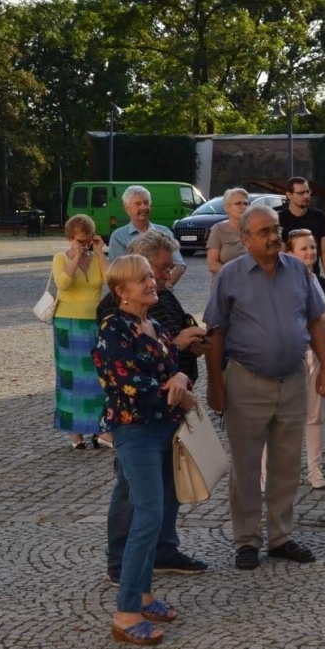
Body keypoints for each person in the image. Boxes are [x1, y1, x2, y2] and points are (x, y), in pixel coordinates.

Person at [206, 206, 325, 569]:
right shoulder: (229, 277)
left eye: (275, 229)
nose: (273, 236)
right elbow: (214, 334)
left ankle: (280, 536)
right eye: (263, 232)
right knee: (246, 468)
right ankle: (246, 540)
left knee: (287, 465)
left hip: (292, 381)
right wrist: (216, 383)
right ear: (245, 239)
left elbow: (315, 322)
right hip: (246, 382)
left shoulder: (297, 270)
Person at [97, 230, 210, 583]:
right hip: (135, 421)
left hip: (168, 416)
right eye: (157, 270)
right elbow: (122, 373)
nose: (164, 276)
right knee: (132, 492)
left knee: (165, 487)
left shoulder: (163, 303)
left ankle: (160, 551)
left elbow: (166, 350)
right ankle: (122, 567)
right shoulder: (112, 314)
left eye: (160, 271)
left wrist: (186, 356)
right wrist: (174, 364)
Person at [94, 254, 193, 646]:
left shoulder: (151, 324)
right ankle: (125, 611)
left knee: (162, 509)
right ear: (122, 291)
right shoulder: (113, 329)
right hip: (134, 431)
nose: (152, 282)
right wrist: (174, 393)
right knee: (147, 512)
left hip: (164, 429)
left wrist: (181, 378)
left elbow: (174, 368)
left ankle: (144, 592)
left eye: (151, 276)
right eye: (142, 279)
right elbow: (122, 382)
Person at [51, 214, 110, 449]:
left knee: (97, 377)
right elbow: (63, 284)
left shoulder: (96, 257)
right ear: (70, 239)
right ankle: (75, 431)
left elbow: (112, 279)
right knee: (71, 378)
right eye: (80, 241)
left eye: (88, 241)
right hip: (67, 324)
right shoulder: (60, 258)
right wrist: (75, 257)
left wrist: (99, 252)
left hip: (93, 323)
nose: (84, 245)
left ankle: (98, 427)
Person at [288, 229, 325, 488]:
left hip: (316, 355)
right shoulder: (281, 283)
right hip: (289, 357)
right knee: (280, 418)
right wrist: (318, 320)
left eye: (312, 247)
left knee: (315, 416)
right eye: (303, 248)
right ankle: (268, 473)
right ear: (289, 253)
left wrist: (311, 320)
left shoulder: (322, 283)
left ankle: (315, 469)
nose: (310, 252)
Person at [109, 185, 186, 286]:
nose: (144, 207)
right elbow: (118, 273)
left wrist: (165, 288)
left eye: (146, 203)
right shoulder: (118, 237)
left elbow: (179, 265)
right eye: (138, 204)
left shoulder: (164, 232)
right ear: (127, 208)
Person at [281, 176, 325, 277]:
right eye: (301, 193)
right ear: (289, 195)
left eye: (308, 192)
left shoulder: (319, 216)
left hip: (313, 276)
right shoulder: (280, 219)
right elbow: (281, 254)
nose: (306, 196)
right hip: (289, 278)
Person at [205, 187, 249, 273]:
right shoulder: (218, 230)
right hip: (225, 281)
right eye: (238, 203)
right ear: (227, 207)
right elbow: (212, 264)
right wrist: (235, 274)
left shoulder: (254, 229)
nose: (243, 207)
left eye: (246, 203)